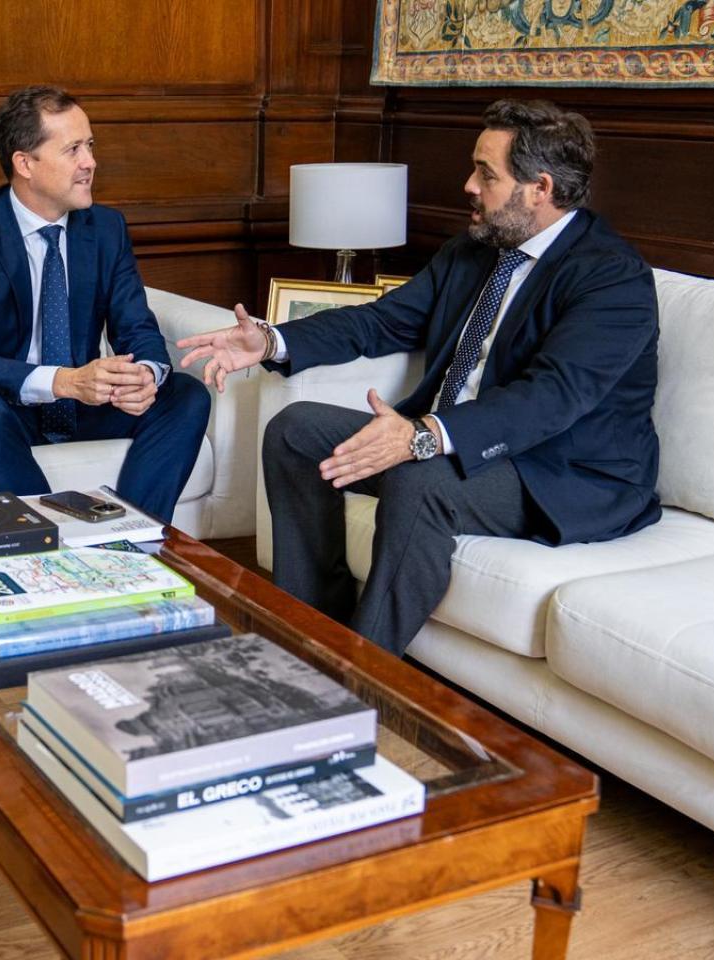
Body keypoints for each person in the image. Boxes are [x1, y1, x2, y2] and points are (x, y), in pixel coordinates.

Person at [178, 99, 660, 657]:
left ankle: (358, 673)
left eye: (487, 173)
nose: (469, 186)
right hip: (459, 440)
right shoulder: (476, 252)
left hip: (560, 470)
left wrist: (421, 435)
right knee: (294, 431)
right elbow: (383, 320)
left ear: (540, 188)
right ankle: (311, 633)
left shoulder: (611, 278)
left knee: (419, 477)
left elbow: (551, 399)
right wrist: (272, 340)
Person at [0, 85, 210, 524]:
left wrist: (145, 375)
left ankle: (132, 537)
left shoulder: (106, 228)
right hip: (5, 404)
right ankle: (51, 545)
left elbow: (138, 327)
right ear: (25, 163)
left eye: (90, 145)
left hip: (80, 403)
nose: (90, 162)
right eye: (73, 149)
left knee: (185, 393)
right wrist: (65, 381)